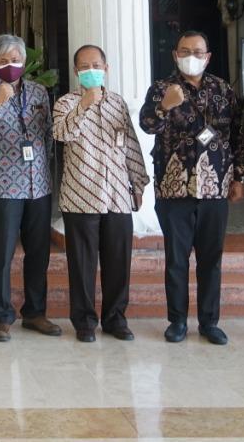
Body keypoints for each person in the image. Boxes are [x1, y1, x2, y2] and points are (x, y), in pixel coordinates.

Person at [139, 30, 244, 346]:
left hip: (215, 188)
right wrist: (164, 106)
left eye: (198, 52)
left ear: (208, 56)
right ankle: (177, 321)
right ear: (175, 55)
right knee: (176, 259)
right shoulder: (162, 88)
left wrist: (240, 177)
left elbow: (238, 137)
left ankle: (209, 322)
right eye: (185, 51)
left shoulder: (223, 90)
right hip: (174, 188)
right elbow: (148, 125)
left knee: (210, 259)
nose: (192, 56)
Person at [52, 44, 149, 342]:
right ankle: (84, 322)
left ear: (106, 69)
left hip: (117, 194)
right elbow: (61, 134)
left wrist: (138, 182)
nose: (91, 70)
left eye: (96, 65)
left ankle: (115, 319)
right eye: (84, 66)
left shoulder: (117, 103)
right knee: (82, 265)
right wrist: (84, 105)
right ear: (76, 71)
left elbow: (130, 144)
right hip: (80, 194)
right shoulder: (66, 103)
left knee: (118, 262)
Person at [0, 34, 59, 343]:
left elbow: (48, 134)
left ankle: (35, 312)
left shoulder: (39, 92)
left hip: (38, 185)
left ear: (24, 61)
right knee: (2, 253)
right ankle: (2, 316)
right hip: (4, 186)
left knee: (38, 252)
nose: (11, 64)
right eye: (4, 60)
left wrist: (42, 166)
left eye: (16, 59)